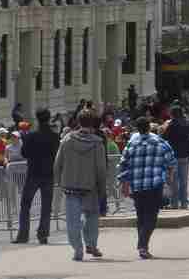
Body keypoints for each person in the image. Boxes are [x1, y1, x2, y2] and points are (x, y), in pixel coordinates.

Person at [117, 116, 177, 259]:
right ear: (149, 127)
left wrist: (124, 184)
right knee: (151, 216)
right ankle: (143, 244)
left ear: (137, 128)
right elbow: (171, 161)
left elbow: (123, 164)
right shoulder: (160, 142)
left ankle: (142, 245)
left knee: (141, 216)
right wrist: (169, 177)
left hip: (137, 185)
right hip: (154, 184)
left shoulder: (131, 144)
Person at [53, 109, 107, 262]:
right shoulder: (97, 144)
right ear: (93, 124)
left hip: (70, 187)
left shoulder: (67, 140)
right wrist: (102, 189)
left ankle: (77, 249)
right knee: (92, 218)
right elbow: (101, 170)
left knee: (72, 221)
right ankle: (91, 244)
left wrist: (58, 182)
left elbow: (57, 164)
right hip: (90, 188)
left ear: (78, 122)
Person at [14, 108, 60, 245]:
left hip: (33, 173)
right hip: (48, 174)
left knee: (25, 204)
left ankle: (23, 235)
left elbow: (24, 153)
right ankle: (43, 234)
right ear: (49, 118)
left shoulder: (31, 136)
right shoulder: (54, 136)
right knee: (46, 206)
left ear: (37, 118)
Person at [164, 106, 189, 209]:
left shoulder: (171, 125)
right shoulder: (186, 123)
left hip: (174, 155)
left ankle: (174, 203)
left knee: (174, 181)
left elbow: (164, 137)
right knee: (184, 180)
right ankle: (184, 203)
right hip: (185, 155)